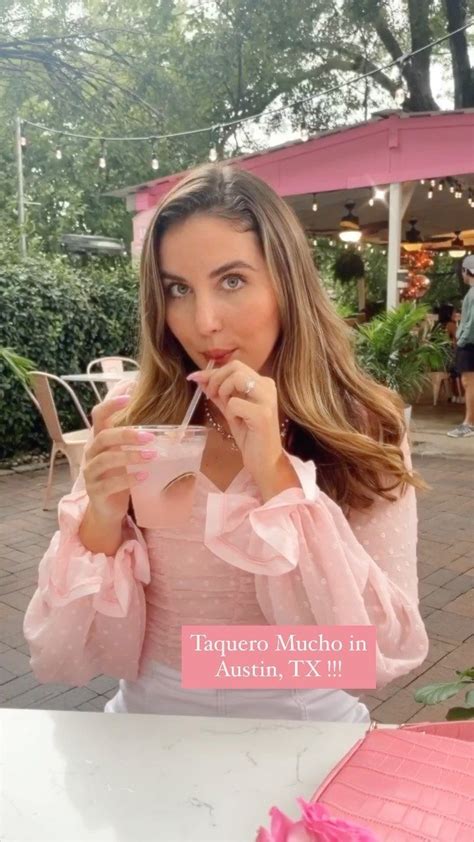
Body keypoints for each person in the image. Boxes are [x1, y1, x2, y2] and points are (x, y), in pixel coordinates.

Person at [23, 164, 429, 722]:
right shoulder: (131, 416)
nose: (204, 322)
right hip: (147, 729)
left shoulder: (362, 422)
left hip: (304, 731)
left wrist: (274, 473)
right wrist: (103, 517)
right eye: (178, 289)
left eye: (232, 281)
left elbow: (384, 649)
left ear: (286, 284)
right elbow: (63, 651)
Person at [447, 254, 474, 437]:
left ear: (467, 271)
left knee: (469, 383)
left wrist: (461, 340)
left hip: (470, 345)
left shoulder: (472, 293)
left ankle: (469, 424)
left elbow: (471, 322)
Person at [437, 303, 464, 403]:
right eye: (454, 312)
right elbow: (459, 340)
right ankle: (460, 395)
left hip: (440, 360)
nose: (456, 314)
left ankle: (454, 396)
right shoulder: (451, 325)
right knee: (465, 366)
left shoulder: (439, 325)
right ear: (449, 313)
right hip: (450, 360)